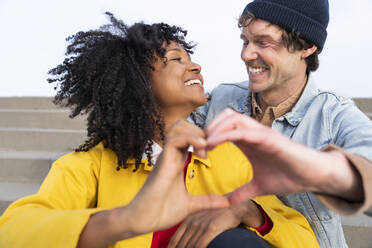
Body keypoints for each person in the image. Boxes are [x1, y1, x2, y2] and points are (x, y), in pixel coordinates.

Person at [0, 13, 319, 248]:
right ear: (137, 81)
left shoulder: (229, 159)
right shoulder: (86, 166)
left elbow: (305, 239)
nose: (195, 67)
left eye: (191, 58)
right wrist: (124, 220)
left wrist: (248, 211)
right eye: (175, 59)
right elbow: (13, 230)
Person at [198, 0, 372, 247]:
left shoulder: (335, 115)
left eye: (263, 42)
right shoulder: (220, 98)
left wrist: (319, 171)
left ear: (308, 46)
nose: (245, 54)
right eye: (245, 40)